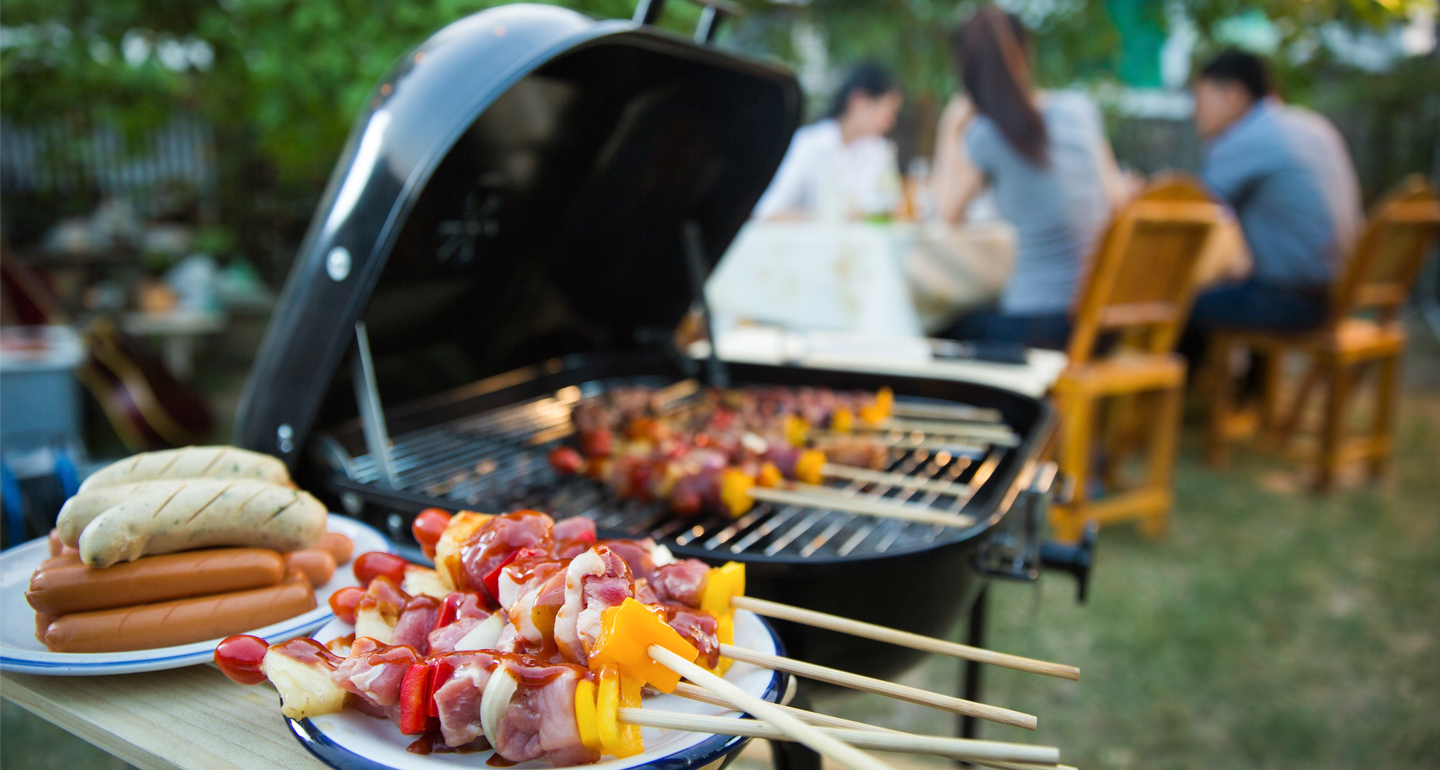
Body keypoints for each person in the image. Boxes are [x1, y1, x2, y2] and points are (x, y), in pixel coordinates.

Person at [930, 6, 1130, 351]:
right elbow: (1118, 200)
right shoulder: (1080, 110)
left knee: (936, 325)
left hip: (1040, 327)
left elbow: (944, 217)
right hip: (1102, 324)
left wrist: (950, 127)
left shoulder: (986, 134)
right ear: (1028, 53)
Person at [1187, 49, 1362, 335]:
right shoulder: (1311, 125)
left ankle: (1188, 380)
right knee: (1232, 286)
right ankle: (1246, 381)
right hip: (1336, 295)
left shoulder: (1249, 136)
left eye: (1200, 99)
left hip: (1292, 301)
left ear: (1233, 95)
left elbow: (1190, 209)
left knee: (1175, 304)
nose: (1195, 113)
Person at [753, 63, 904, 221]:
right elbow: (767, 210)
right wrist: (827, 217)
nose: (890, 122)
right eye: (887, 111)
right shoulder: (809, 143)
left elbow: (892, 208)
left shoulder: (879, 150)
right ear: (859, 101)